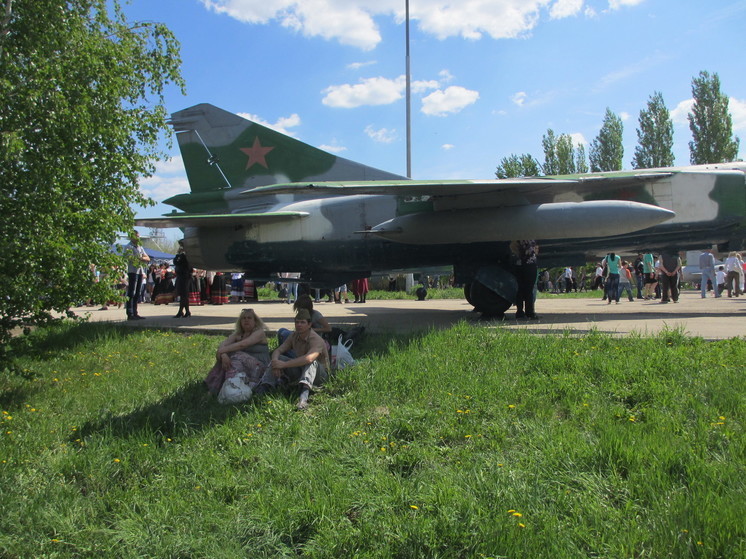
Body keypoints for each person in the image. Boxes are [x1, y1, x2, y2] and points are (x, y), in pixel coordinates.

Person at [254, 309, 330, 410]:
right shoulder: (294, 335)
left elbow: (309, 358)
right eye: (297, 322)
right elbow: (278, 350)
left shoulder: (316, 339)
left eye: (302, 322)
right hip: (301, 369)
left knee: (311, 362)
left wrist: (284, 365)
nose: (299, 325)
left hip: (320, 376)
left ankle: (303, 397)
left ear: (309, 324)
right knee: (279, 358)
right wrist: (276, 363)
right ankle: (264, 388)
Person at [204, 308, 270, 395]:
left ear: (255, 321)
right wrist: (223, 355)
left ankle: (230, 387)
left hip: (259, 366)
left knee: (236, 355)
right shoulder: (238, 335)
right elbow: (223, 345)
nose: (246, 320)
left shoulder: (259, 333)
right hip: (243, 365)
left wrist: (222, 351)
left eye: (249, 318)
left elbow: (243, 344)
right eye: (244, 318)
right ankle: (217, 388)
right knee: (228, 357)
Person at [124, 232, 150, 320]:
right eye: (137, 236)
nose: (138, 238)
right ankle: (130, 313)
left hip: (140, 271)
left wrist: (141, 258)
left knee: (138, 293)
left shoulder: (140, 247)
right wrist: (141, 258)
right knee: (131, 292)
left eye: (139, 236)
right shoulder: (128, 247)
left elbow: (147, 258)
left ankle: (135, 312)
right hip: (132, 271)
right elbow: (131, 258)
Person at [513, 239, 539, 319]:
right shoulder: (532, 239)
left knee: (521, 289)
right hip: (529, 264)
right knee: (528, 289)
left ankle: (520, 312)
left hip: (520, 264)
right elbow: (536, 251)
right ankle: (529, 312)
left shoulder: (516, 238)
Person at [173, 241, 192, 318]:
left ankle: (181, 311)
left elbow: (176, 262)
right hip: (181, 276)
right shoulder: (183, 255)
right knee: (183, 295)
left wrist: (178, 255)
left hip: (184, 276)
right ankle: (186, 311)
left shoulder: (185, 255)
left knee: (184, 295)